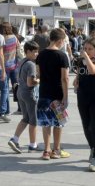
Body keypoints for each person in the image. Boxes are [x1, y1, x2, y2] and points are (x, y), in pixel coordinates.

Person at [36, 28, 70, 160]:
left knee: (46, 123)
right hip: (57, 94)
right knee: (58, 123)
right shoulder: (62, 56)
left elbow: (38, 74)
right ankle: (56, 150)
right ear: (60, 41)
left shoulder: (40, 55)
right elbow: (65, 78)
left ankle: (46, 150)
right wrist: (66, 97)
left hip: (44, 92)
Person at [73, 37, 95, 172]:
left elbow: (92, 71)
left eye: (89, 49)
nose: (86, 51)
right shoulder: (81, 61)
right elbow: (80, 75)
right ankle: (93, 149)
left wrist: (86, 57)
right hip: (82, 97)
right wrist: (76, 81)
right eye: (85, 48)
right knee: (86, 127)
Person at [8, 41, 40, 154]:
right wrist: (40, 80)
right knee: (33, 120)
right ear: (28, 52)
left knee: (25, 118)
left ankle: (14, 139)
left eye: (37, 51)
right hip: (29, 94)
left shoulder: (22, 61)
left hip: (20, 92)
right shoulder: (31, 64)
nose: (37, 54)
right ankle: (33, 145)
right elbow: (31, 82)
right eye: (35, 52)